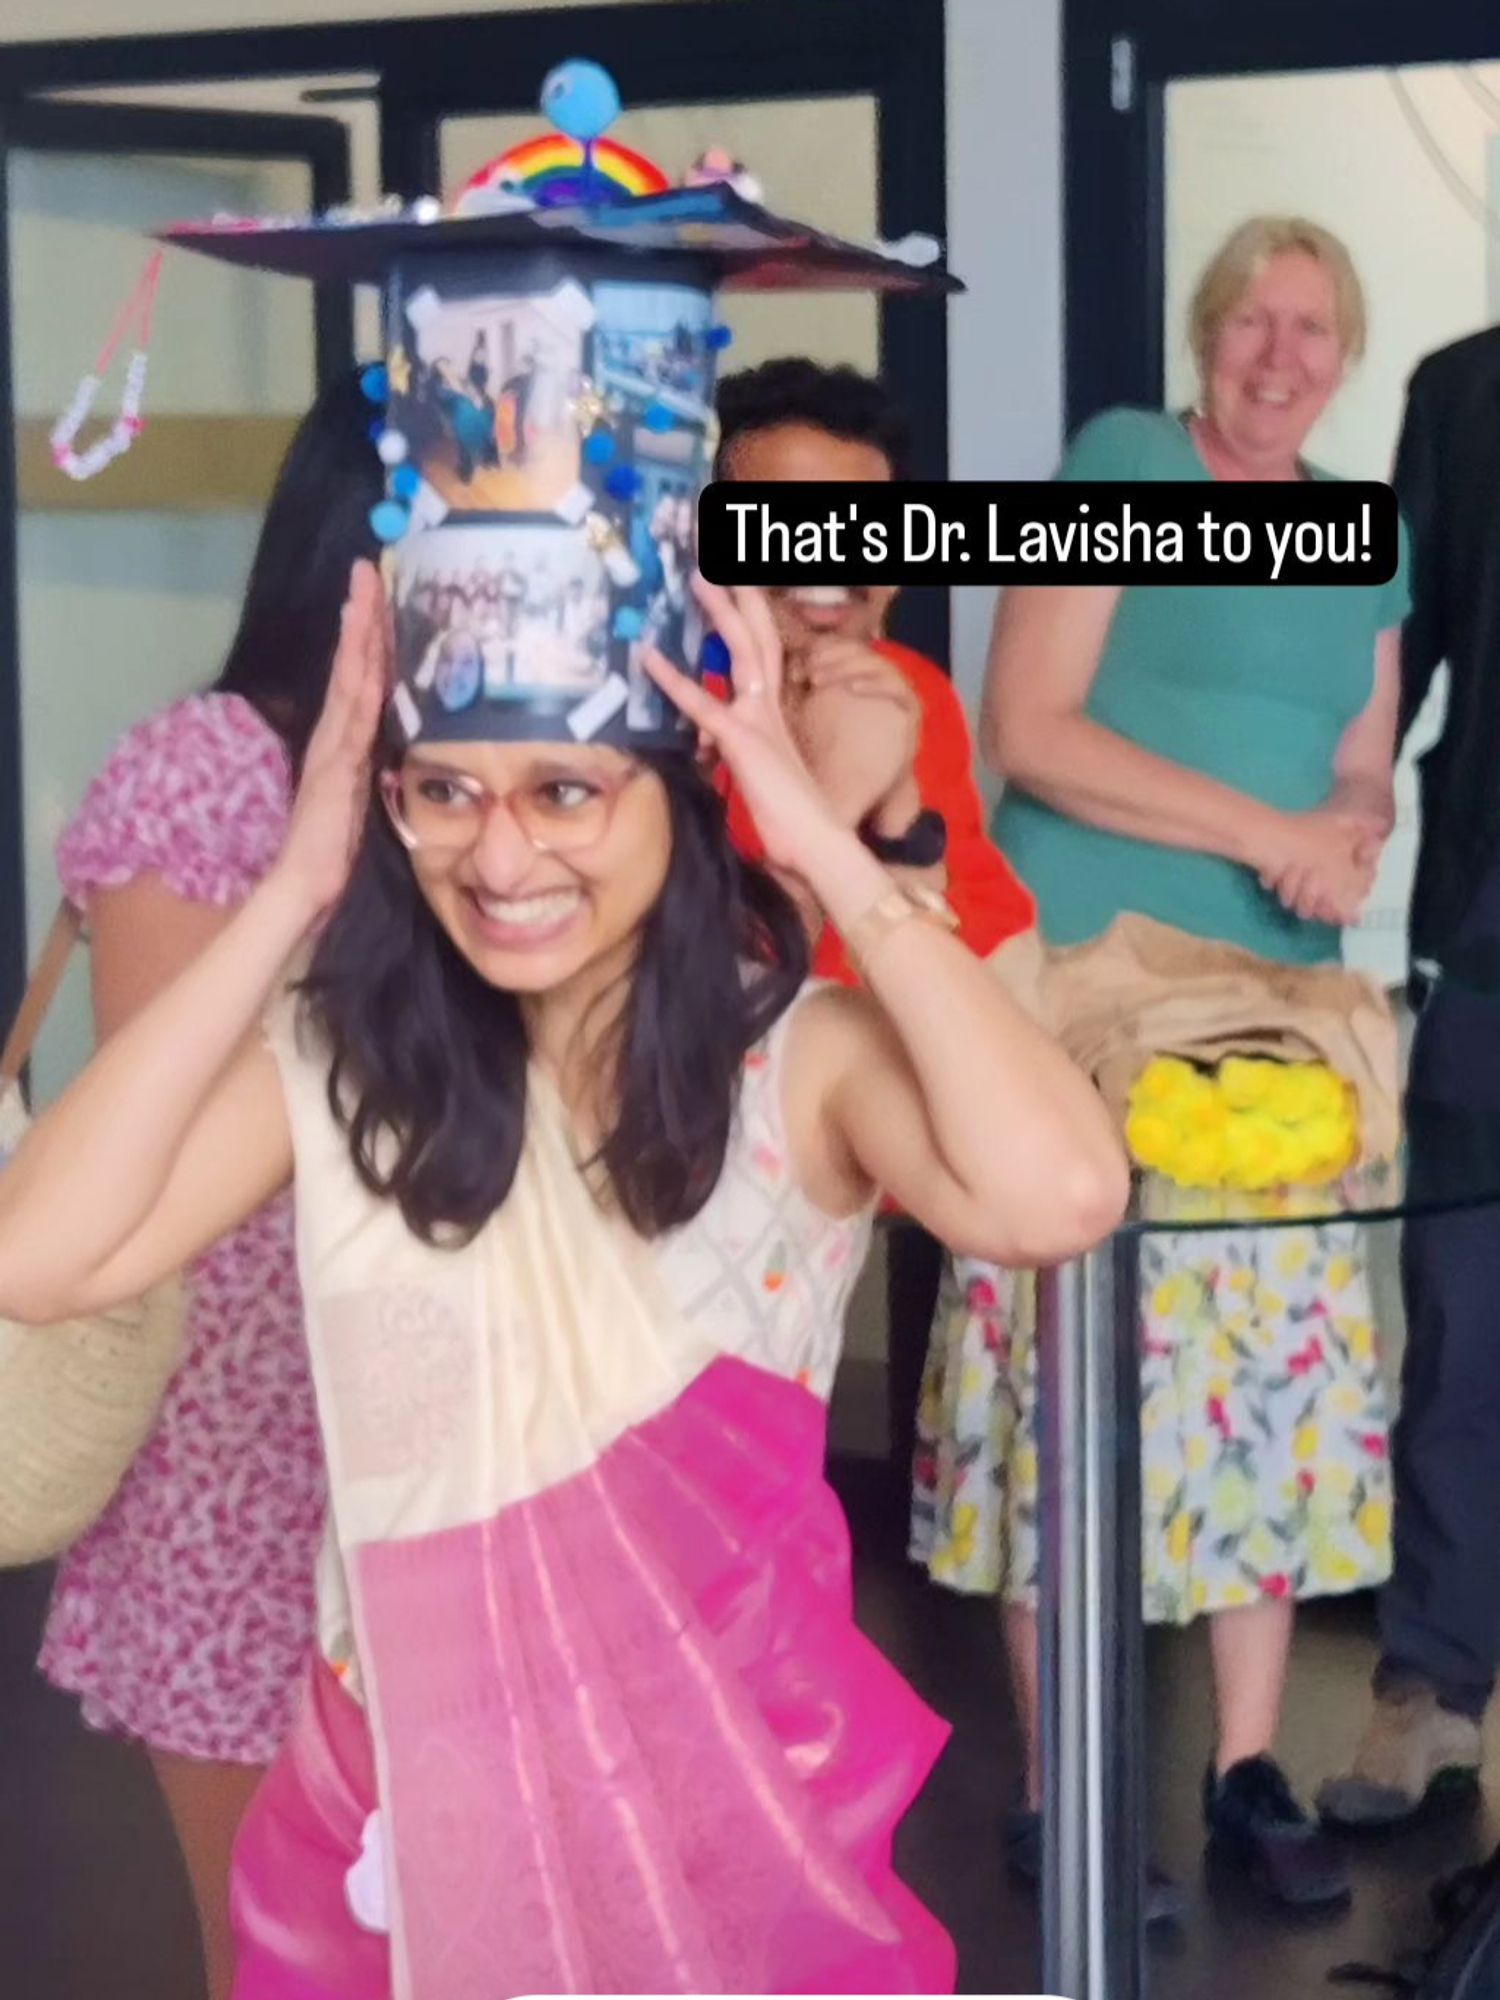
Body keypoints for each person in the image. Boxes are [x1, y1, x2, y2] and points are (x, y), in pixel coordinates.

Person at [0, 563, 1127, 1997]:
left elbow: (1066, 1191)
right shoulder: (357, 1067)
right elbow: (35, 1259)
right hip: (397, 1817)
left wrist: (834, 852)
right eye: (445, 793)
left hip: (726, 1819)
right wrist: (292, 891)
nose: (502, 855)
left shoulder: (802, 1060)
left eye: (564, 792)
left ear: (681, 785)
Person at [966, 216, 1409, 1910]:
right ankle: (1058, 1785)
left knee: (1275, 1397)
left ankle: (1242, 1767)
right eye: (1251, 321)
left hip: (1273, 1024)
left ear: (1344, 355)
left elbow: (1366, 760)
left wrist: (1350, 834)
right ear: (1203, 338)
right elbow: (1037, 733)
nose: (1278, 353)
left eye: (1312, 327)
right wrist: (1270, 829)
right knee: (1064, 1384)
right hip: (1088, 985)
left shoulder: (1361, 530)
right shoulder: (1129, 462)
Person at [33, 369, 382, 2000]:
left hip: (425, 1380)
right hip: (247, 1385)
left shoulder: (496, 773)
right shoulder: (203, 761)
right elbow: (151, 1095)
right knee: (268, 1927)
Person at [713, 358, 1038, 1478]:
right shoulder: (644, 722)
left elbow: (1003, 973)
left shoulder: (905, 693)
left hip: (872, 1182)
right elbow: (707, 1045)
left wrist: (897, 817)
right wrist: (835, 808)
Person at [1318, 325, 1500, 1828]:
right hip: (1494, 933)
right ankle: (1432, 1685)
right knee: (1463, 1317)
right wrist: (1329, 803)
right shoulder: (1463, 391)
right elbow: (1389, 639)